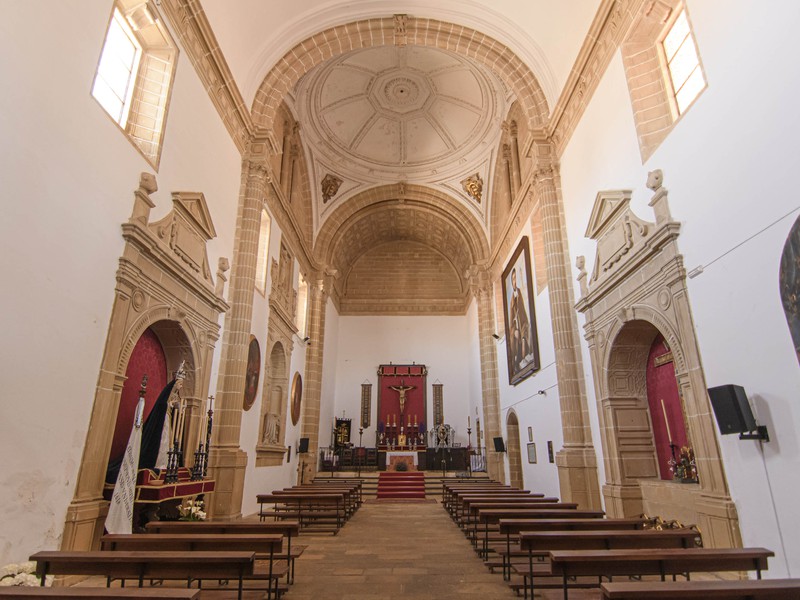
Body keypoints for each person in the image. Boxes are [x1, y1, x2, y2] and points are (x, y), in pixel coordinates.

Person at [508, 267, 531, 370]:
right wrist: (514, 331)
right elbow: (511, 321)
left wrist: (521, 332)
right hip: (516, 331)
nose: (514, 281)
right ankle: (517, 363)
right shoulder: (512, 300)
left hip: (523, 326)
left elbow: (523, 313)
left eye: (515, 278)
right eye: (513, 279)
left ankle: (525, 357)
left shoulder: (520, 293)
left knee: (524, 344)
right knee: (516, 348)